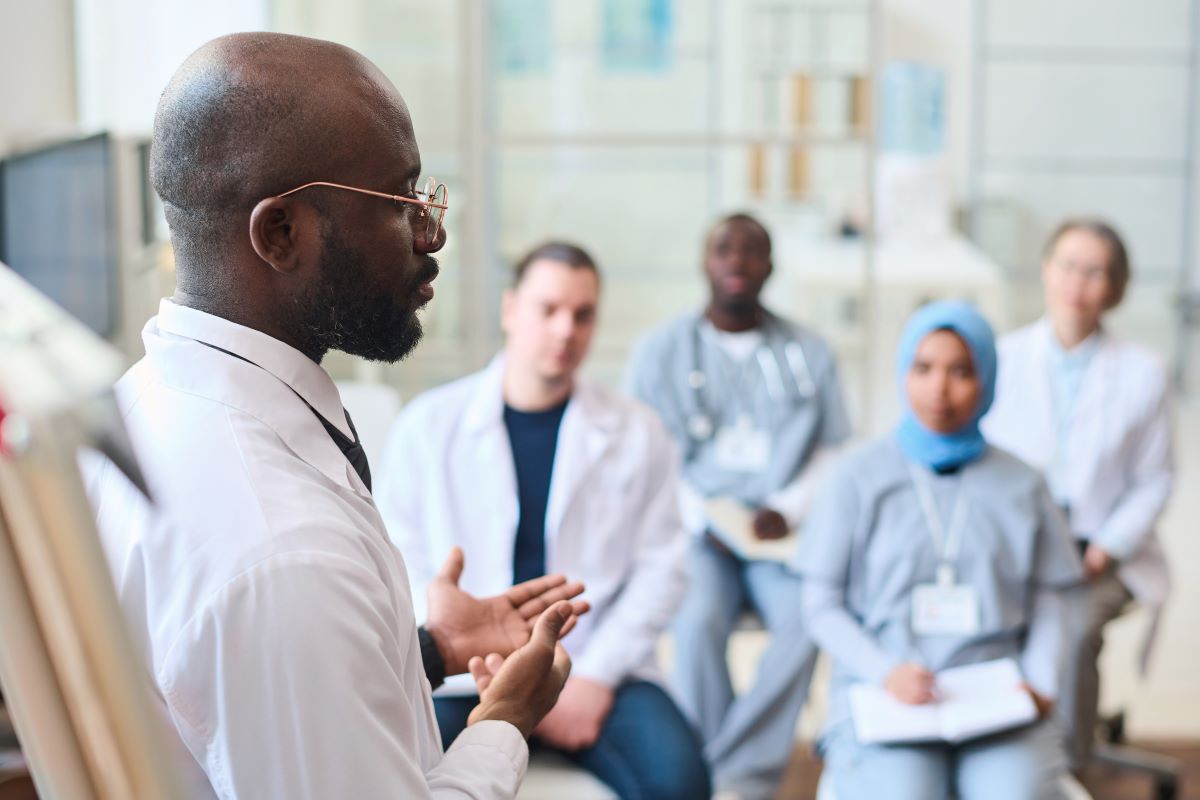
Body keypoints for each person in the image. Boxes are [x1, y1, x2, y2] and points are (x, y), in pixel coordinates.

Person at [84, 33, 591, 799]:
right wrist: (503, 722)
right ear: (281, 233)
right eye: (401, 200)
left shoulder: (144, 403)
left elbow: (239, 704)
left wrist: (425, 649)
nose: (434, 232)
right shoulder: (283, 552)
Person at [376, 241, 710, 799]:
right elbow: (395, 554)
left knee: (681, 782)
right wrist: (458, 649)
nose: (565, 331)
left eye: (583, 315)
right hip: (464, 670)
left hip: (597, 664)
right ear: (511, 309)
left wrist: (595, 677)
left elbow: (662, 569)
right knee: (395, 777)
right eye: (548, 309)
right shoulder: (429, 426)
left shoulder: (637, 431)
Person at [798, 300, 1082, 800]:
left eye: (961, 372)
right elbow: (820, 602)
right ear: (902, 372)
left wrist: (1040, 682)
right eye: (923, 368)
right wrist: (886, 672)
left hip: (996, 697)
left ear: (988, 380)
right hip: (887, 692)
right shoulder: (856, 476)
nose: (939, 390)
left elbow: (1052, 598)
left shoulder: (1023, 484)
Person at [626, 212, 852, 799]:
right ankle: (717, 765)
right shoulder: (660, 352)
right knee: (697, 620)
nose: (737, 261)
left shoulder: (810, 352)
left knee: (807, 620)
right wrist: (708, 517)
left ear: (770, 267)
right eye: (724, 248)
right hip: (698, 529)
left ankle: (734, 776)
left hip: (779, 533)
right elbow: (647, 452)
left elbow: (831, 448)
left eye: (753, 251)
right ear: (705, 261)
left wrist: (788, 507)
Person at [983, 219, 1175, 770]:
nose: (1077, 282)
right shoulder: (1004, 357)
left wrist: (1106, 548)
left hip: (1103, 554)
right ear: (1046, 270)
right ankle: (999, 758)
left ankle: (1067, 770)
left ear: (1114, 287)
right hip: (1018, 545)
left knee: (1075, 629)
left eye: (1094, 272)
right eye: (1067, 265)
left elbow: (1156, 479)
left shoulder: (1143, 372)